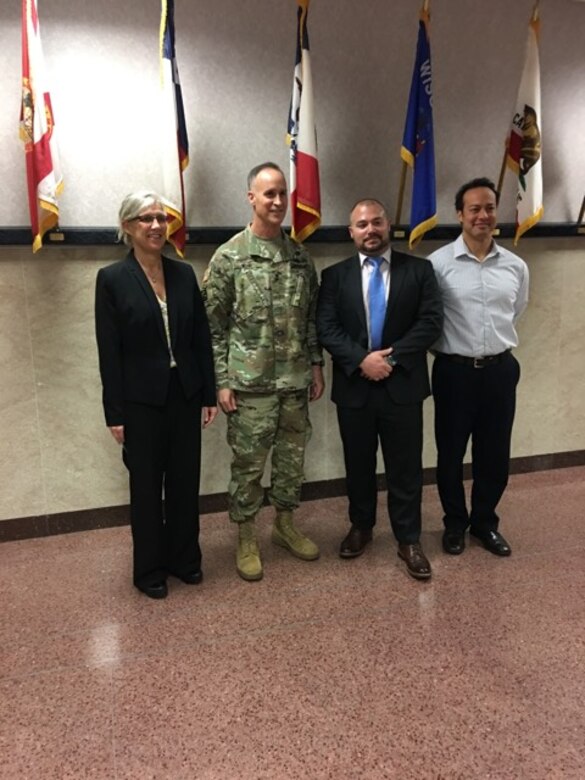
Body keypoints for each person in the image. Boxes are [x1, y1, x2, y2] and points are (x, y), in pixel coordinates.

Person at [202, 162, 324, 582]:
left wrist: (316, 365)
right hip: (249, 386)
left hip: (294, 383)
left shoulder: (300, 259)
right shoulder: (229, 258)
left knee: (292, 462)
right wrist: (221, 380)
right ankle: (247, 536)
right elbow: (213, 327)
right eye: (268, 193)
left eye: (281, 193)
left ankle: (285, 526)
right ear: (251, 198)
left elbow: (309, 319)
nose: (276, 201)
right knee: (249, 467)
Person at [95, 191, 218, 599]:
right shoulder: (112, 279)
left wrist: (208, 394)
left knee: (184, 483)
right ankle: (149, 570)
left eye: (161, 218)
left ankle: (185, 560)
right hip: (140, 403)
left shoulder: (183, 274)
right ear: (128, 226)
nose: (155, 226)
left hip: (185, 395)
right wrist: (115, 413)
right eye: (145, 219)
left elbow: (201, 338)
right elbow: (108, 350)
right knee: (146, 489)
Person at [317, 198, 443, 580]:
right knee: (358, 464)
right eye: (361, 224)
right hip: (355, 387)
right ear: (351, 232)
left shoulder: (419, 271)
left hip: (402, 384)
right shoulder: (334, 276)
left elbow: (431, 322)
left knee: (405, 468)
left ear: (389, 226)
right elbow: (327, 328)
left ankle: (408, 539)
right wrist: (361, 360)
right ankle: (361, 527)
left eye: (376, 223)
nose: (370, 230)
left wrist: (390, 359)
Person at [429, 177, 529, 557]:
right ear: (460, 215)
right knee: (451, 453)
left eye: (489, 207)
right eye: (474, 209)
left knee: (494, 454)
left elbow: (516, 311)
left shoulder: (516, 266)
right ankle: (455, 523)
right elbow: (430, 318)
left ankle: (485, 523)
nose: (483, 216)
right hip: (453, 372)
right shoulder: (438, 265)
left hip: (500, 371)